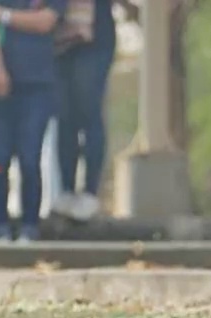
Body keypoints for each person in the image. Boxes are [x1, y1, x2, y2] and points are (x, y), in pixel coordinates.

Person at [0, 0, 66, 243]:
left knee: (30, 157)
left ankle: (29, 226)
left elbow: (45, 21)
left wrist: (1, 14)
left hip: (39, 84)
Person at [51, 0, 136, 222]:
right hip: (56, 38)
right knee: (64, 117)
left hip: (95, 37)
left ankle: (90, 192)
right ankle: (66, 190)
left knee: (89, 110)